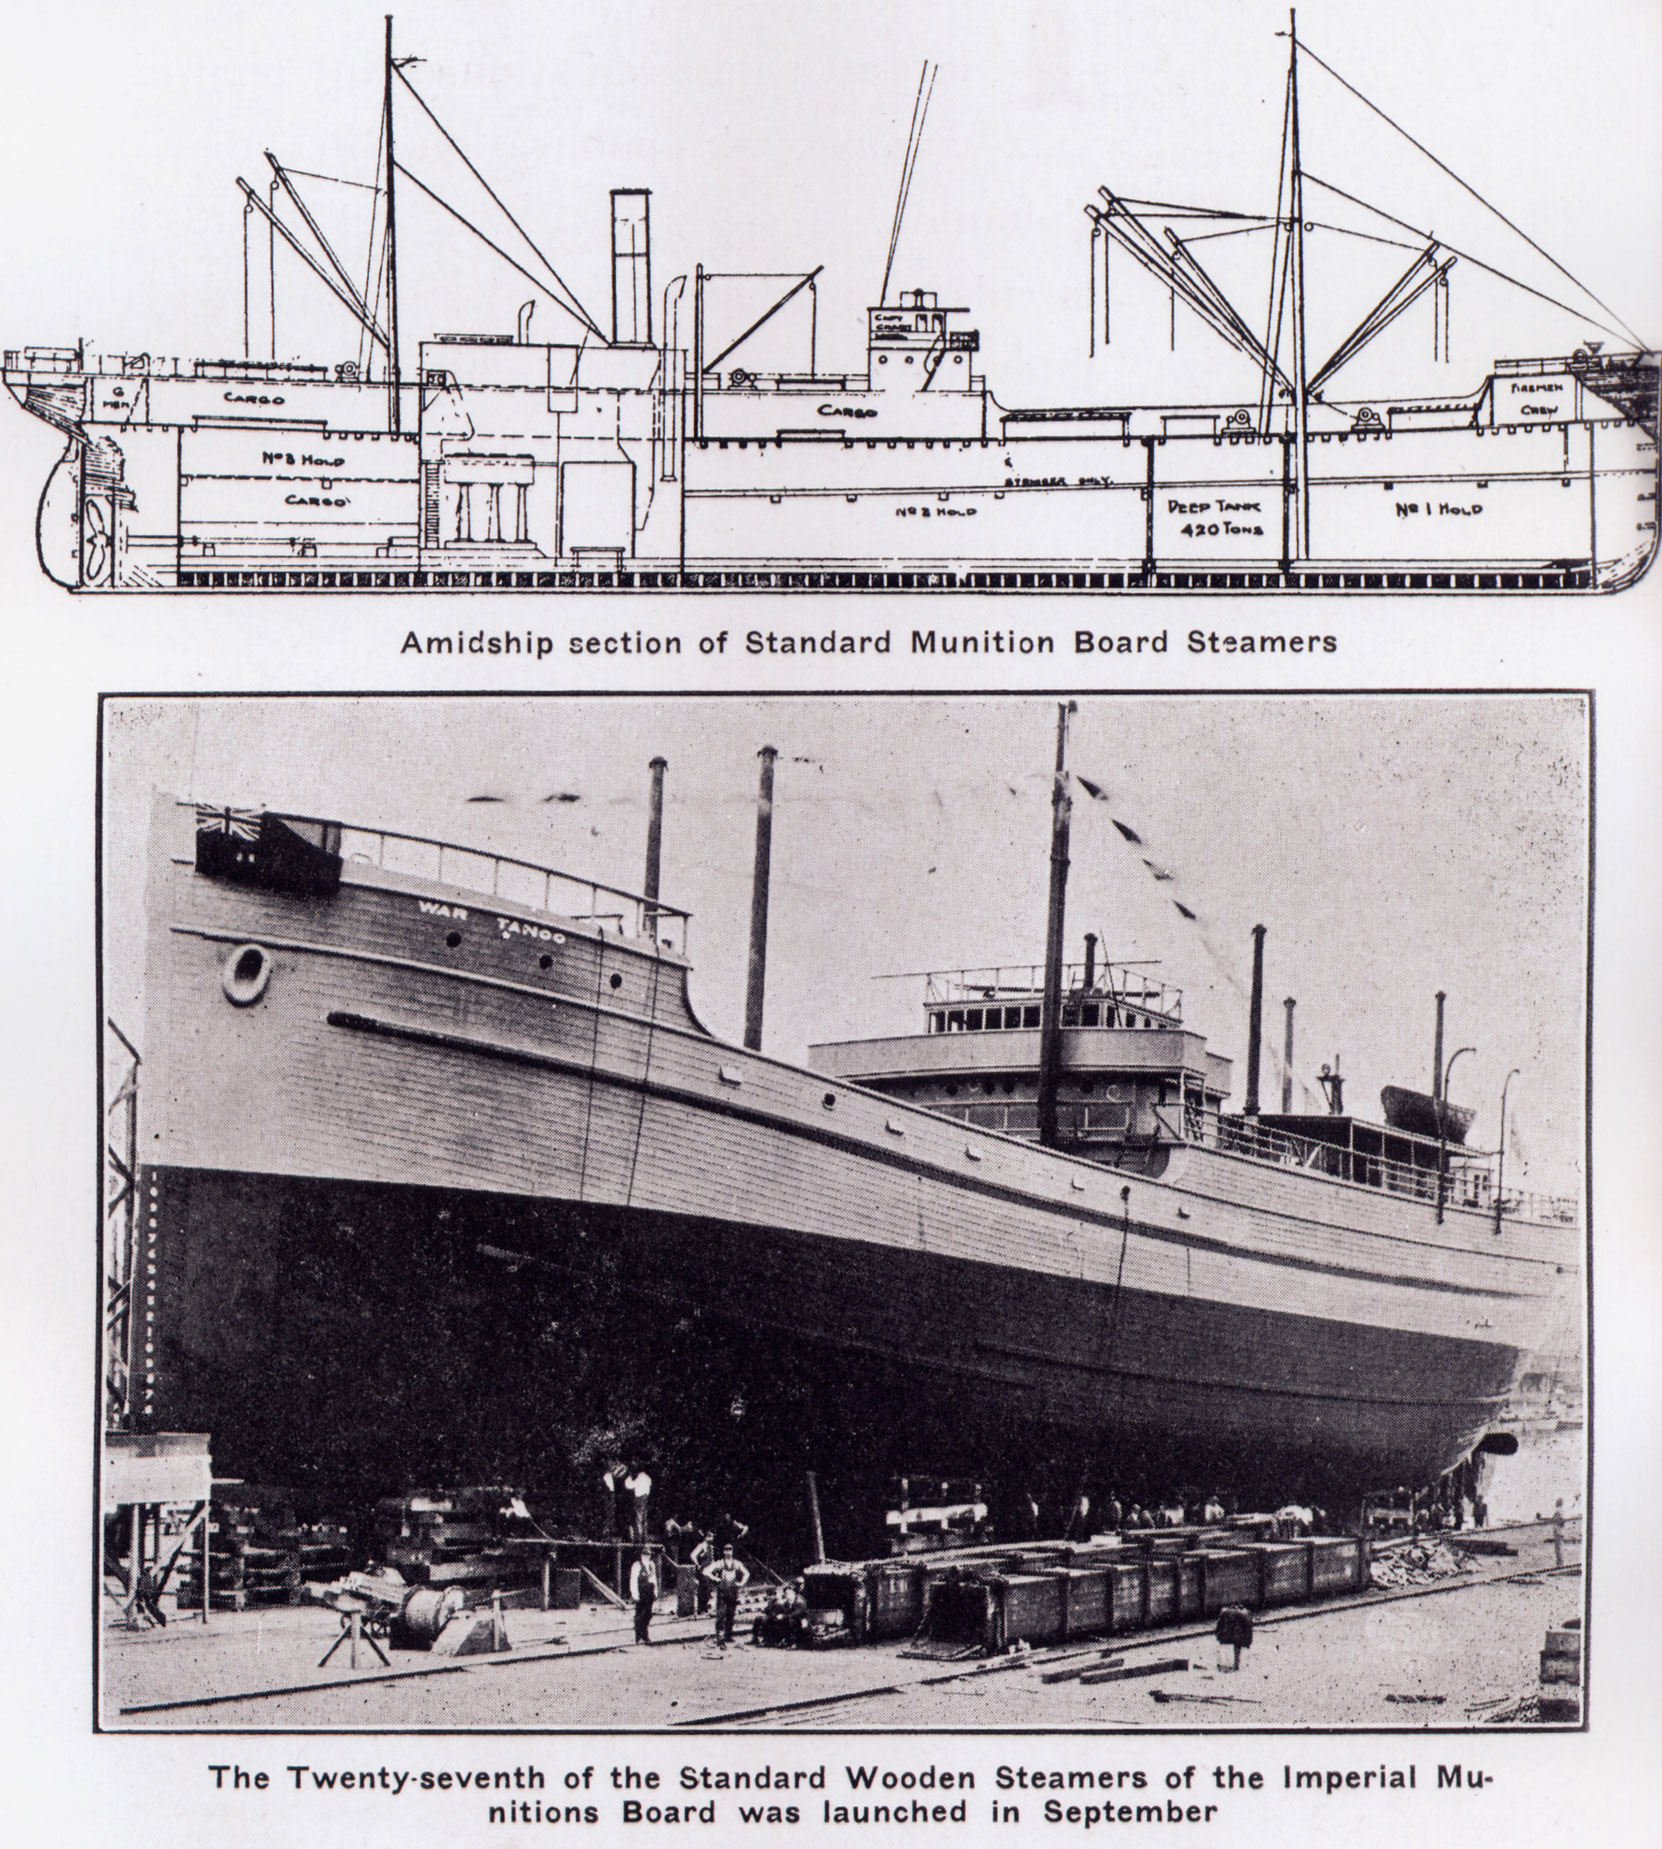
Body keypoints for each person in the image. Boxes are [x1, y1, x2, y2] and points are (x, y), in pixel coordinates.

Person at [702, 1543, 750, 1646]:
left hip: (733, 1591)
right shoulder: (719, 1563)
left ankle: (728, 1635)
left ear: (732, 1551)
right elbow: (705, 1571)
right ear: (723, 1552)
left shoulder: (737, 1563)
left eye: (730, 1550)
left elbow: (746, 1573)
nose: (728, 1552)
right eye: (726, 1550)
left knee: (731, 1613)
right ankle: (719, 1637)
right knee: (721, 1614)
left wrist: (741, 1583)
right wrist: (715, 1579)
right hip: (722, 1590)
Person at [628, 1548, 658, 1645]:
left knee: (648, 1614)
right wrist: (634, 1594)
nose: (647, 1556)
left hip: (650, 1591)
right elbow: (633, 1580)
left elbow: (654, 1579)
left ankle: (644, 1634)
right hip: (641, 1591)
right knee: (640, 1614)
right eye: (645, 1554)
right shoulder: (637, 1565)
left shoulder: (651, 1565)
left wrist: (655, 1592)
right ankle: (639, 1635)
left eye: (648, 1555)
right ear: (641, 1555)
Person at [689, 1529, 716, 1613]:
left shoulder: (711, 1547)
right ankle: (701, 1608)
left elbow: (712, 1560)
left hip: (710, 1570)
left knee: (709, 1589)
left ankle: (705, 1606)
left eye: (712, 1537)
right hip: (703, 1569)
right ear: (706, 1537)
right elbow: (693, 1555)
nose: (712, 1539)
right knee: (704, 1587)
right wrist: (697, 1564)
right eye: (710, 1537)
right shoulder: (701, 1546)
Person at [624, 1464, 653, 1543]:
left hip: (639, 1499)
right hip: (645, 1499)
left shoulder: (639, 1478)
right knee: (644, 1520)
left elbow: (629, 1485)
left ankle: (638, 1539)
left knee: (638, 1519)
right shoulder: (647, 1478)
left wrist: (629, 1477)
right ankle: (644, 1539)